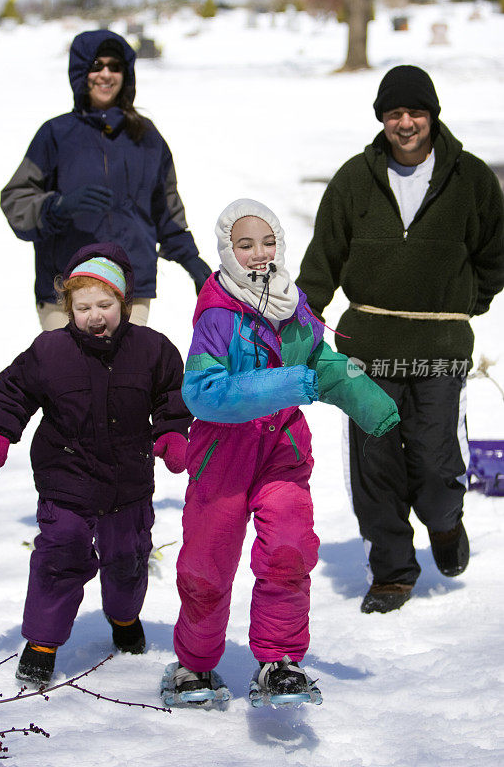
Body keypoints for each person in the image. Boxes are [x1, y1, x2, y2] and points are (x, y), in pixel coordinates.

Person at [163, 198, 399, 706]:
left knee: (289, 549)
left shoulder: (294, 305)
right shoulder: (218, 315)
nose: (258, 253)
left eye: (267, 242)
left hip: (281, 449)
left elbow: (321, 361)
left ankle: (280, 662)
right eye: (245, 245)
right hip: (222, 454)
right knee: (208, 563)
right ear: (227, 250)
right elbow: (202, 393)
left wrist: (369, 401)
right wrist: (295, 381)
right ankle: (194, 666)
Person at [297, 65, 504, 614]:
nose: (405, 123)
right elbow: (324, 259)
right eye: (394, 114)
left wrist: (464, 304)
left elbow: (494, 253)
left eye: (414, 112)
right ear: (382, 120)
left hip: (440, 352)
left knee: (436, 461)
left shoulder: (471, 179)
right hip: (367, 350)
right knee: (377, 463)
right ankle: (391, 569)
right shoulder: (354, 179)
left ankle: (444, 522)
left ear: (432, 115)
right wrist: (300, 319)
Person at [0, 243, 193, 686]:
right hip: (66, 478)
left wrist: (171, 433)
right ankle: (42, 642)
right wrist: (0, 433)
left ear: (125, 303)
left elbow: (172, 395)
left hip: (128, 480)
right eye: (83, 306)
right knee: (60, 553)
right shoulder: (49, 352)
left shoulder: (152, 350)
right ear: (69, 308)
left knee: (128, 556)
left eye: (105, 304)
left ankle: (124, 617)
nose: (95, 315)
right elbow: (15, 391)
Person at [0, 29, 211, 330]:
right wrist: (56, 207)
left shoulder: (147, 138)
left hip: (128, 291)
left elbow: (166, 210)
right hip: (67, 292)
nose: (106, 74)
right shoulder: (55, 135)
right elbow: (16, 198)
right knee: (69, 376)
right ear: (80, 71)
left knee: (126, 377)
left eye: (115, 66)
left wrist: (192, 262)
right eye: (97, 65)